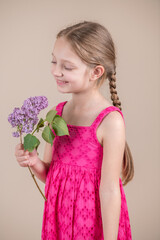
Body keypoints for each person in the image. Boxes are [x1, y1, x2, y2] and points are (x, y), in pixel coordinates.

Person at [15, 21, 134, 240]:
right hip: (59, 220)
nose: (55, 71)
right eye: (53, 61)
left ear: (96, 72)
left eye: (66, 66)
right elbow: (52, 177)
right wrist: (34, 162)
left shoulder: (110, 121)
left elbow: (109, 191)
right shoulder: (55, 115)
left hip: (94, 224)